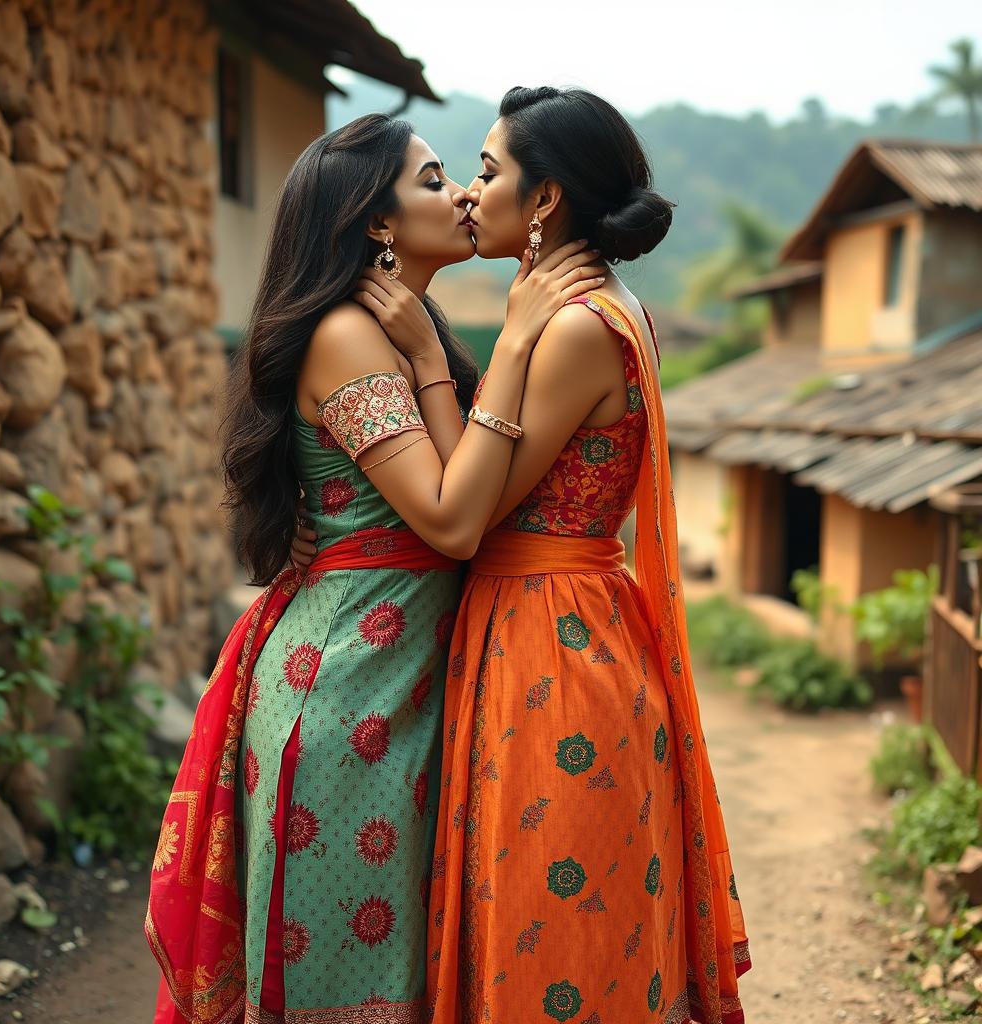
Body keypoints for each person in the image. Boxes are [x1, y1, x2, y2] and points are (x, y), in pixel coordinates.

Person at [144, 112, 604, 1023]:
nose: (464, 193)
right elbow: (451, 519)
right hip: (349, 697)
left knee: (406, 973)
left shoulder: (407, 331)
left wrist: (443, 354)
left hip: (404, 682)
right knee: (349, 988)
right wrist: (504, 345)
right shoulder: (351, 336)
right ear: (377, 223)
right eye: (434, 180)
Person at [358, 86, 751, 1024]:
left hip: (553, 642)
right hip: (563, 626)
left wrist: (423, 351)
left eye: (488, 171)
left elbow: (470, 501)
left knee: (549, 918)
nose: (470, 193)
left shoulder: (573, 326)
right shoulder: (613, 307)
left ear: (544, 203)